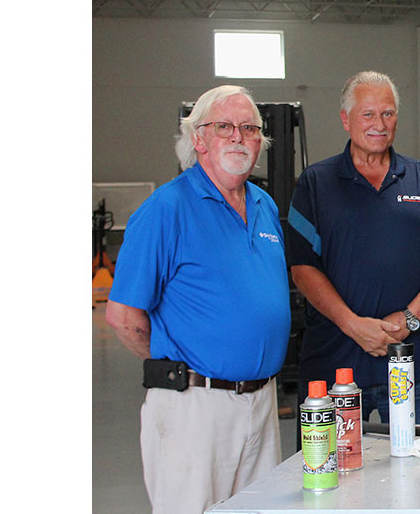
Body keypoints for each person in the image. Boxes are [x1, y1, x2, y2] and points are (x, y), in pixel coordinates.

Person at [105, 85, 290, 514]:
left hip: (261, 404)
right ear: (198, 139)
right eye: (224, 126)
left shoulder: (262, 205)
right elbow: (122, 316)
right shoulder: (166, 208)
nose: (239, 136)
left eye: (249, 128)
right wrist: (185, 365)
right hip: (194, 407)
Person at [285, 71, 420, 424]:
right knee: (331, 472)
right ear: (345, 119)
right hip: (335, 366)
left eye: (388, 113)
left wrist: (410, 318)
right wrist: (353, 325)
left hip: (416, 364)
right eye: (367, 114)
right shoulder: (316, 184)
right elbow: (303, 267)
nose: (379, 124)